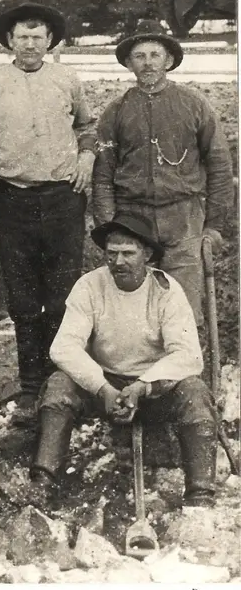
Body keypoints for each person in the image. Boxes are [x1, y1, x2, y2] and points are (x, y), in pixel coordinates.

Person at [29, 214, 217, 507]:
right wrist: (103, 389)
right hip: (106, 385)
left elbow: (188, 354)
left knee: (195, 391)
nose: (118, 262)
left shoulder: (166, 291)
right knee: (59, 385)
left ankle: (201, 496)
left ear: (147, 255)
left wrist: (143, 387)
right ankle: (42, 484)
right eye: (112, 253)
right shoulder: (89, 286)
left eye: (128, 253)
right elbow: (63, 347)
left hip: (153, 390)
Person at [0, 3, 96, 426]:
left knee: (62, 296)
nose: (29, 45)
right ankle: (29, 386)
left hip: (63, 199)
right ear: (10, 41)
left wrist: (87, 157)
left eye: (37, 37)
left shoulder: (67, 80)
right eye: (22, 37)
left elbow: (87, 127)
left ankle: (60, 385)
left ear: (49, 41)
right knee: (23, 300)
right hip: (13, 201)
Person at [92, 18, 233, 326]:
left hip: (184, 219)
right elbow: (102, 175)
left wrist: (214, 225)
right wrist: (109, 226)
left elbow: (219, 164)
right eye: (140, 56)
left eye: (155, 55)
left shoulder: (194, 104)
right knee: (134, 311)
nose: (148, 63)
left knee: (183, 309)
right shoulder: (115, 111)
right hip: (132, 219)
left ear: (168, 61)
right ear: (129, 63)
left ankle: (186, 357)